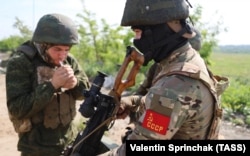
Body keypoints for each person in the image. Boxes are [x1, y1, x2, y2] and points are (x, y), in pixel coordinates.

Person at [100, 0, 229, 155]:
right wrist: (133, 102)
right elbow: (170, 107)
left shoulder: (175, 85)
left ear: (159, 29)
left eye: (138, 32)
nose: (136, 40)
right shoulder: (187, 60)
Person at [5, 13, 90, 156]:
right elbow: (17, 109)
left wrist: (75, 84)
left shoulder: (69, 60)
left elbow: (86, 94)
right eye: (57, 49)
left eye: (67, 49)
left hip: (70, 142)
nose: (62, 55)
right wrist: (52, 85)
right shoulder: (21, 62)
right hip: (36, 149)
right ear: (43, 45)